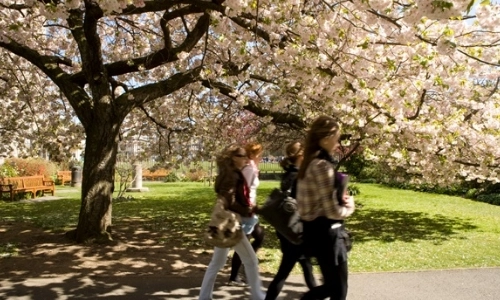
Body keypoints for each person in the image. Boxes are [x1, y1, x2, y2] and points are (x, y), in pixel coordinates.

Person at [296, 116, 355, 300]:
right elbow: (332, 211)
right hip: (328, 234)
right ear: (325, 139)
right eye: (336, 137)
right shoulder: (321, 165)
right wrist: (349, 207)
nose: (338, 142)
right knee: (337, 288)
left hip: (317, 233)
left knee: (334, 286)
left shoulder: (309, 163)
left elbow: (308, 205)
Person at [198, 145, 266, 300]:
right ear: (234, 158)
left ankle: (204, 297)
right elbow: (230, 201)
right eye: (242, 156)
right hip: (231, 224)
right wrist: (249, 210)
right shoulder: (232, 176)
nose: (246, 159)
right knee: (251, 260)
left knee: (217, 262)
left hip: (226, 223)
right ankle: (257, 296)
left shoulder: (228, 173)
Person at [265, 141, 317, 300]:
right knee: (285, 272)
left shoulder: (289, 174)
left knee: (306, 269)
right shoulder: (298, 176)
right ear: (301, 155)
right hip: (296, 233)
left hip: (288, 231)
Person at [228, 142, 266, 286]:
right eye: (259, 155)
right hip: (246, 211)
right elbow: (245, 191)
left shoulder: (252, 168)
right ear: (252, 155)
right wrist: (250, 207)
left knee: (259, 236)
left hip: (250, 210)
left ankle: (242, 269)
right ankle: (235, 276)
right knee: (243, 243)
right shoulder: (249, 169)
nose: (261, 158)